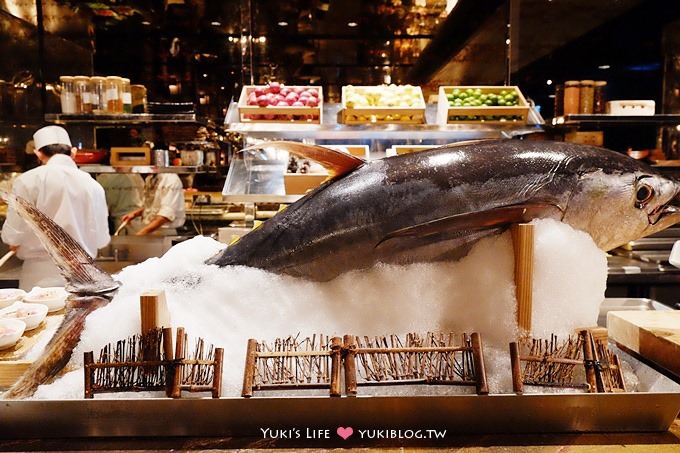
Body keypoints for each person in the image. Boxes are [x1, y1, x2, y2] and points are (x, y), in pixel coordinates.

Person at [1, 125, 110, 290]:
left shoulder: (27, 180)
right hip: (83, 276)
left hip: (39, 278)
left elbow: (12, 236)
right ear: (73, 152)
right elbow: (102, 240)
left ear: (38, 153)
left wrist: (16, 241)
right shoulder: (93, 185)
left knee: (43, 315)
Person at [121, 173, 185, 236]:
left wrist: (140, 234)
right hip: (150, 231)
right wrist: (135, 214)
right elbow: (152, 206)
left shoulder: (171, 180)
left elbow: (165, 216)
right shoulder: (150, 178)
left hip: (165, 234)